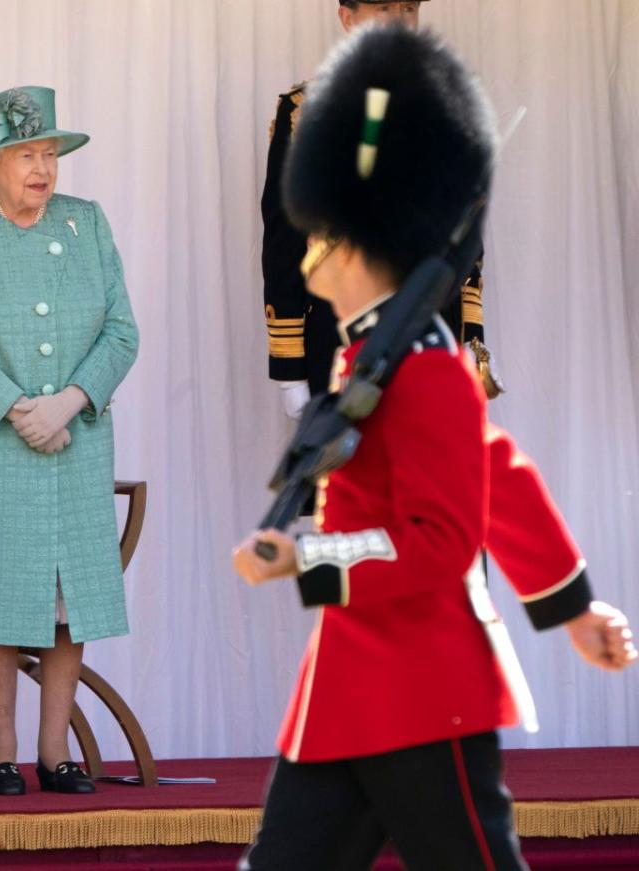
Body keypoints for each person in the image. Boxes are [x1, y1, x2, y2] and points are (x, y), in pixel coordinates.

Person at [233, 25, 636, 869]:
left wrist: (309, 559)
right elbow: (502, 476)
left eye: (325, 232)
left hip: (422, 686)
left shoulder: (421, 372)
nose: (308, 247)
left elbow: (446, 539)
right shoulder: (370, 360)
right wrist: (570, 605)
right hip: (350, 686)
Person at [0, 83, 139, 796]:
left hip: (75, 442)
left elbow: (122, 331)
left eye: (49, 152)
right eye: (25, 153)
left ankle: (57, 752)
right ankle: (0, 751)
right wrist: (19, 408)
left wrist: (72, 401)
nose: (41, 167)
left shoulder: (88, 222)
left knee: (68, 595)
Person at [262, 0, 501, 421]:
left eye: (408, 8)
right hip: (339, 342)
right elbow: (284, 244)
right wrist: (289, 369)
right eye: (383, 7)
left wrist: (470, 336)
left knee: (429, 478)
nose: (397, 21)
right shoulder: (305, 115)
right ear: (347, 16)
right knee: (351, 481)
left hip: (432, 336)